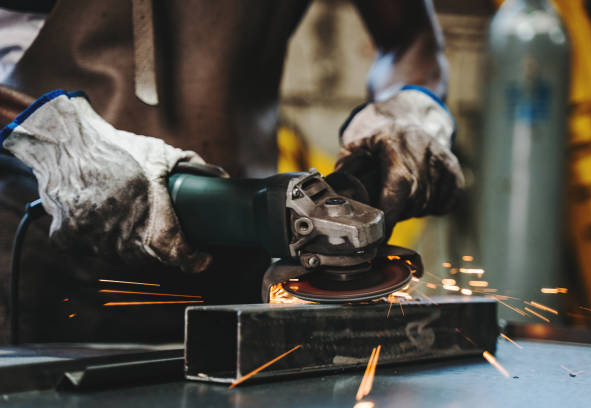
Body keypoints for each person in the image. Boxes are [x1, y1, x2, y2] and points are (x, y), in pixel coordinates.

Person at [0, 0, 463, 343]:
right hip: (54, 250)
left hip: (249, 264)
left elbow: (411, 37)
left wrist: (410, 109)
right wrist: (55, 140)